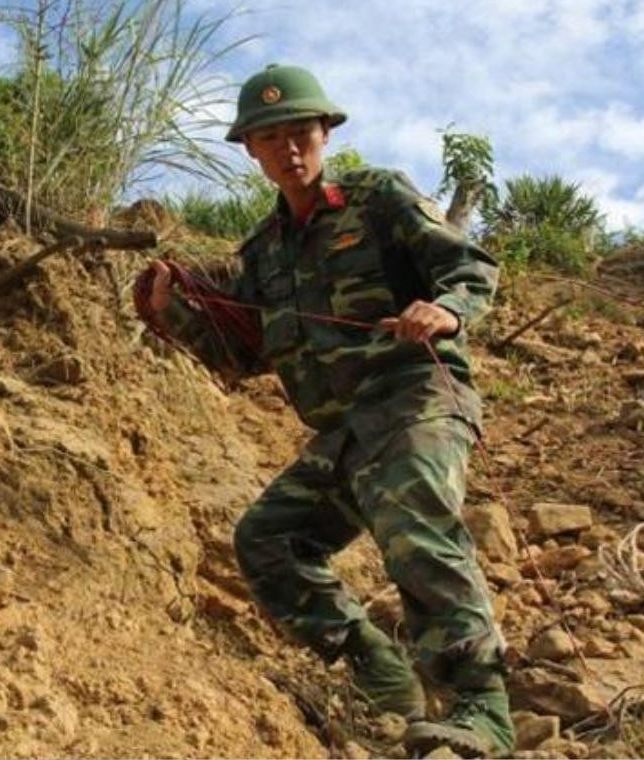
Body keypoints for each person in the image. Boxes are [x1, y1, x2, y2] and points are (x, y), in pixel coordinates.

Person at [142, 64, 514, 758]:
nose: (289, 149)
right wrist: (179, 316)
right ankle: (380, 667)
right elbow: (244, 358)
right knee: (268, 541)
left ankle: (482, 712)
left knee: (413, 522)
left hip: (418, 399)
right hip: (346, 434)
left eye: (301, 132)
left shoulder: (378, 198)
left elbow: (470, 266)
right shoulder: (262, 252)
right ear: (250, 150)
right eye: (270, 137)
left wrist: (446, 310)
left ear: (326, 133)